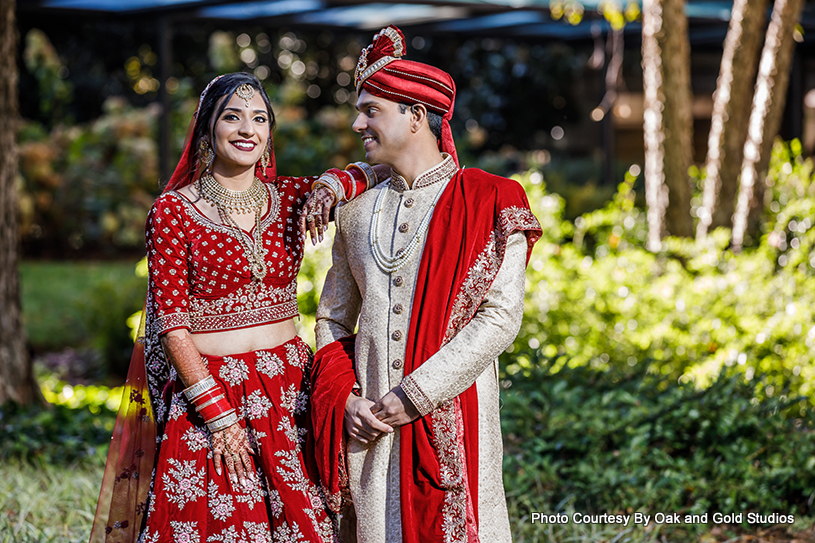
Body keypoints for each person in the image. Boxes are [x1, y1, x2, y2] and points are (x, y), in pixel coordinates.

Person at [89, 72, 384, 543]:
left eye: (259, 119)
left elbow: (382, 168)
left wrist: (330, 186)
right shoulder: (173, 212)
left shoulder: (291, 199)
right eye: (232, 117)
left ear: (269, 135)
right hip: (208, 394)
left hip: (290, 393)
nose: (247, 129)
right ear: (207, 129)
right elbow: (171, 323)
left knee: (305, 524)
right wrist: (218, 414)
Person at [311, 26, 543, 543]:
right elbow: (331, 318)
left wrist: (414, 395)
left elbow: (500, 318)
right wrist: (347, 398)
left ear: (416, 115)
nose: (357, 123)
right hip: (368, 430)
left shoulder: (491, 201)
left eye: (371, 110)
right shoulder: (355, 210)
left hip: (452, 416)